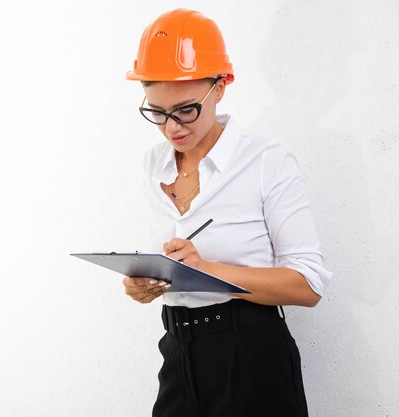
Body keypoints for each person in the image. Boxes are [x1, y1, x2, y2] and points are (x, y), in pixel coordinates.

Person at [122, 9, 332, 417]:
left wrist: (207, 269)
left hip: (251, 355)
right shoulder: (154, 164)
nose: (172, 128)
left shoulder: (266, 161)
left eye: (185, 110)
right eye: (158, 112)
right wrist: (144, 285)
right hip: (178, 352)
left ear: (220, 87)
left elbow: (309, 285)